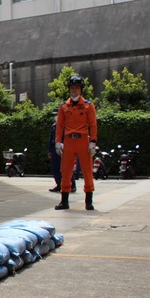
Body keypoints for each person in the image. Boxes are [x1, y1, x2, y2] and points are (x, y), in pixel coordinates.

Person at [55, 75, 98, 210]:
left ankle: (88, 201)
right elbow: (60, 125)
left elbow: (93, 124)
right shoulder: (63, 106)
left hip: (83, 141)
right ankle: (64, 201)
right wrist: (58, 141)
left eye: (77, 88)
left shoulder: (88, 106)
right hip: (68, 141)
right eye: (72, 88)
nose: (74, 91)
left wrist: (93, 142)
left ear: (81, 90)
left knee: (87, 171)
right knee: (66, 171)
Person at [48, 108, 76, 193]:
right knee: (55, 168)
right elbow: (51, 139)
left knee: (66, 168)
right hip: (54, 149)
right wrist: (49, 151)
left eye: (56, 115)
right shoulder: (54, 126)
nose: (55, 117)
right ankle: (59, 185)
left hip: (64, 148)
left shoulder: (66, 125)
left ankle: (72, 185)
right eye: (54, 115)